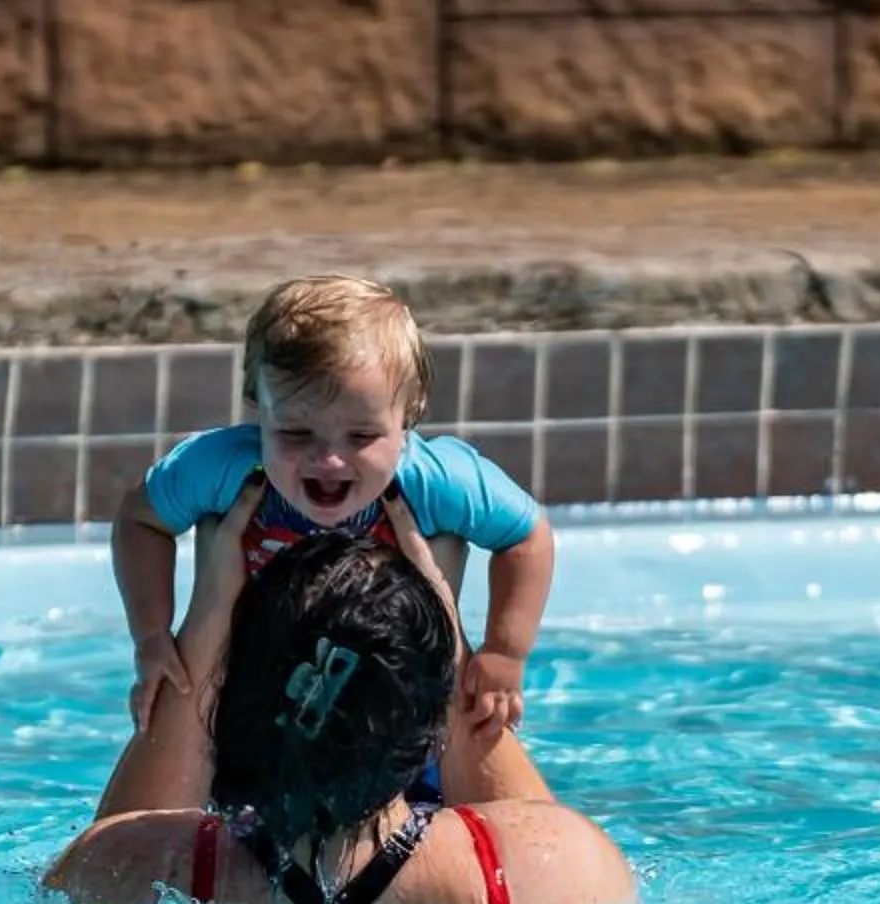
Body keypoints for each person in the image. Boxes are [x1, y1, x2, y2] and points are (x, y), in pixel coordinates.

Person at [50, 487, 633, 904]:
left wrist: (208, 614)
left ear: (228, 701)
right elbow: (530, 821)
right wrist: (447, 634)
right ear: (431, 726)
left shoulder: (128, 868)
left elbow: (115, 839)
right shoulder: (561, 867)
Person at [110, 275, 556, 746]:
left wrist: (505, 652)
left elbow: (526, 536)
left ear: (408, 414)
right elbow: (140, 521)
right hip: (259, 693)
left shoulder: (433, 481)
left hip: (394, 703)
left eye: (361, 437)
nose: (328, 460)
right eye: (296, 434)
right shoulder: (224, 468)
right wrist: (152, 636)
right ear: (257, 406)